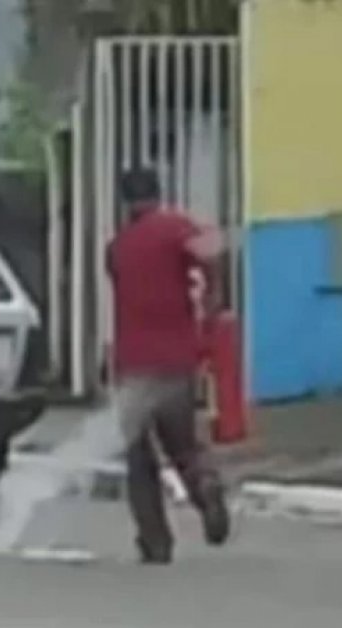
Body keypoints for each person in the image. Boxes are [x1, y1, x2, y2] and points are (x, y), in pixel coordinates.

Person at [107, 168, 230, 564]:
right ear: (158, 194)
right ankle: (204, 487)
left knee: (139, 458)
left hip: (133, 364)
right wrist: (212, 298)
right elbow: (211, 252)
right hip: (177, 360)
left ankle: (155, 541)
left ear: (125, 202)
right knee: (184, 445)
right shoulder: (177, 227)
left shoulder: (118, 246)